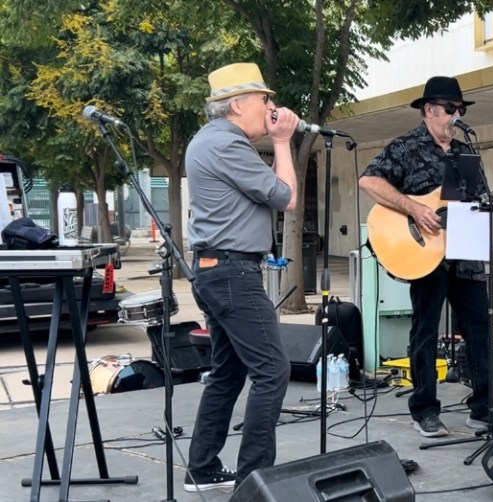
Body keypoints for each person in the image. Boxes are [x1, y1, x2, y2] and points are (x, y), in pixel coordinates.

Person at [358, 76, 493, 437]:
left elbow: (479, 207)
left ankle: (484, 408)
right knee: (425, 331)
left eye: (459, 109)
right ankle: (425, 409)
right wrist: (414, 209)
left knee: (479, 329)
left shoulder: (466, 153)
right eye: (450, 109)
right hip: (422, 253)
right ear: (429, 110)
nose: (456, 115)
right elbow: (369, 182)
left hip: (464, 253)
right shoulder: (405, 147)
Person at [183, 62, 299, 491]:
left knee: (229, 372)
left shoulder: (211, 140)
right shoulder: (227, 144)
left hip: (218, 270)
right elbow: (284, 196)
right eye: (263, 100)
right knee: (272, 370)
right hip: (232, 272)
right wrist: (283, 142)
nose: (270, 107)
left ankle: (202, 467)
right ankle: (254, 478)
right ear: (237, 104)